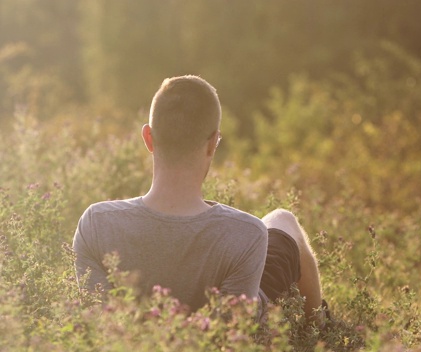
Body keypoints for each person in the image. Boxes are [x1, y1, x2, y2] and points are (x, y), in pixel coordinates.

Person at [73, 75, 326, 324]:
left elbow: (100, 326)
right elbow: (234, 334)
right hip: (234, 328)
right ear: (212, 143)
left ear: (148, 138)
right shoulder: (247, 234)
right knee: (283, 219)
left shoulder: (95, 224)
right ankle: (322, 330)